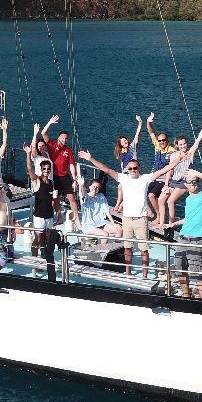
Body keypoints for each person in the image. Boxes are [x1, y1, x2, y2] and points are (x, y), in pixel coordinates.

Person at [78, 149, 182, 279]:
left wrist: (178, 160)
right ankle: (128, 272)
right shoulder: (124, 178)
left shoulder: (145, 178)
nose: (133, 170)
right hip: (127, 220)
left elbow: (164, 170)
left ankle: (144, 275)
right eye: (130, 168)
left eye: (135, 168)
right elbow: (107, 170)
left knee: (144, 249)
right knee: (128, 248)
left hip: (141, 220)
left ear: (139, 168)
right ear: (127, 169)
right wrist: (90, 159)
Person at [160, 168, 202, 299]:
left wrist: (197, 174)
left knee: (198, 275)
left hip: (196, 241)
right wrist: (173, 224)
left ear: (198, 183)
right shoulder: (188, 200)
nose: (193, 184)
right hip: (182, 239)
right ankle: (186, 296)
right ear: (185, 185)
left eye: (195, 182)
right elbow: (188, 219)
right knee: (181, 270)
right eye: (190, 182)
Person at [157, 116, 202, 227]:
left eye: (184, 143)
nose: (183, 146)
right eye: (181, 144)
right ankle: (161, 224)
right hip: (173, 182)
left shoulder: (190, 154)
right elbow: (169, 170)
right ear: (177, 146)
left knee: (170, 201)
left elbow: (198, 141)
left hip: (184, 183)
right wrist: (166, 184)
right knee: (161, 200)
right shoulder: (174, 155)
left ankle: (170, 225)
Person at [23, 124, 56, 257]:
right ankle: (35, 258)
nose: (47, 171)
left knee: (47, 239)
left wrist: (56, 209)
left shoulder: (51, 182)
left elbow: (53, 198)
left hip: (49, 215)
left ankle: (45, 256)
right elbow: (30, 169)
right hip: (39, 215)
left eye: (48, 169)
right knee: (38, 239)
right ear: (41, 170)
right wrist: (28, 154)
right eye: (44, 169)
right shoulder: (37, 181)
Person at [41, 113, 79, 224]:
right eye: (63, 138)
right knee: (56, 198)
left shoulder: (69, 151)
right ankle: (59, 218)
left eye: (66, 139)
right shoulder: (52, 145)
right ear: (59, 138)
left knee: (71, 198)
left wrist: (75, 180)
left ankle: (77, 218)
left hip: (65, 177)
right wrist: (50, 123)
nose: (65, 140)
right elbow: (43, 133)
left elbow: (71, 166)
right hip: (54, 177)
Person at [144, 111, 175, 219]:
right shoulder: (157, 146)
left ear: (167, 141)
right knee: (140, 191)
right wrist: (148, 122)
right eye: (160, 140)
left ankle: (159, 215)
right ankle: (150, 212)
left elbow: (172, 166)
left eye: (163, 140)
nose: (161, 142)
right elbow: (151, 132)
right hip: (154, 176)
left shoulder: (172, 151)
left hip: (163, 178)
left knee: (151, 195)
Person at [77, 174, 122, 241]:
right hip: (89, 227)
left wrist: (113, 223)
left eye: (97, 187)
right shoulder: (86, 198)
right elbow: (83, 193)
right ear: (89, 187)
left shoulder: (101, 196)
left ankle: (116, 247)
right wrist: (82, 185)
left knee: (119, 229)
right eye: (93, 186)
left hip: (101, 224)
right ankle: (103, 250)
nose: (95, 188)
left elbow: (107, 211)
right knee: (105, 234)